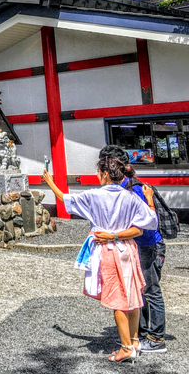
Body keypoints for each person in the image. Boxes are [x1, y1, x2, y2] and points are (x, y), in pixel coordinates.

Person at [43, 155, 157, 363]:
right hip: (129, 249)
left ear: (105, 174)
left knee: (118, 301)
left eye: (98, 172)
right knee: (132, 297)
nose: (97, 176)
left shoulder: (95, 195)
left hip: (109, 250)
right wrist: (149, 200)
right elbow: (148, 223)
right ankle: (134, 340)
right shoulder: (131, 197)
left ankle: (125, 348)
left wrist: (50, 181)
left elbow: (65, 199)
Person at [99, 145, 166, 354]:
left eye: (103, 164)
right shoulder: (122, 186)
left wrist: (114, 235)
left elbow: (146, 224)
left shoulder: (133, 188)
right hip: (138, 247)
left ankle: (156, 338)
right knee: (140, 290)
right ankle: (141, 332)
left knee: (150, 290)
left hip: (148, 245)